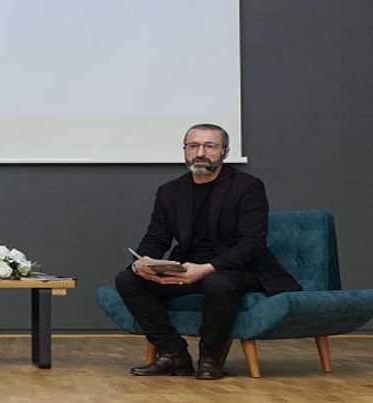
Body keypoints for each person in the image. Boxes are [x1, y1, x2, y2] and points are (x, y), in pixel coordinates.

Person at [115, 123, 301, 380]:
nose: (200, 153)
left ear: (225, 152)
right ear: (185, 150)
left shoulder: (247, 186)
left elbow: (252, 243)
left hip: (242, 268)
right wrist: (140, 262)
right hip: (188, 267)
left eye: (210, 146)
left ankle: (210, 359)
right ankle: (173, 353)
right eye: (193, 146)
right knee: (128, 280)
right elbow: (156, 238)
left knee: (218, 281)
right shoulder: (170, 191)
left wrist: (206, 268)